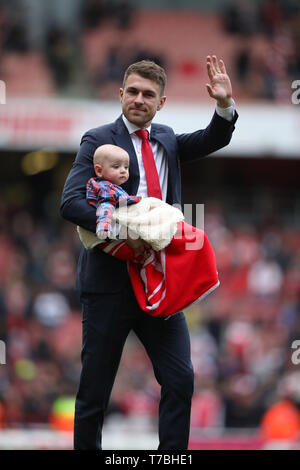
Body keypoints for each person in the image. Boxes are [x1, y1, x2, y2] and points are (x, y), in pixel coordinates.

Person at [60, 56, 238, 450]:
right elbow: (71, 203)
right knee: (95, 390)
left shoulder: (168, 138)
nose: (140, 99)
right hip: (110, 280)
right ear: (121, 94)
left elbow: (213, 138)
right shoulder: (97, 141)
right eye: (134, 92)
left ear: (162, 103)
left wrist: (224, 105)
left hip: (160, 280)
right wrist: (124, 235)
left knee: (180, 379)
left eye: (149, 95)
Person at [86, 144, 142, 240]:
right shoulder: (105, 188)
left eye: (126, 167)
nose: (123, 171)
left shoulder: (112, 187)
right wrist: (104, 227)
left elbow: (120, 200)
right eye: (116, 167)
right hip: (107, 234)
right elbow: (106, 206)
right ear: (99, 170)